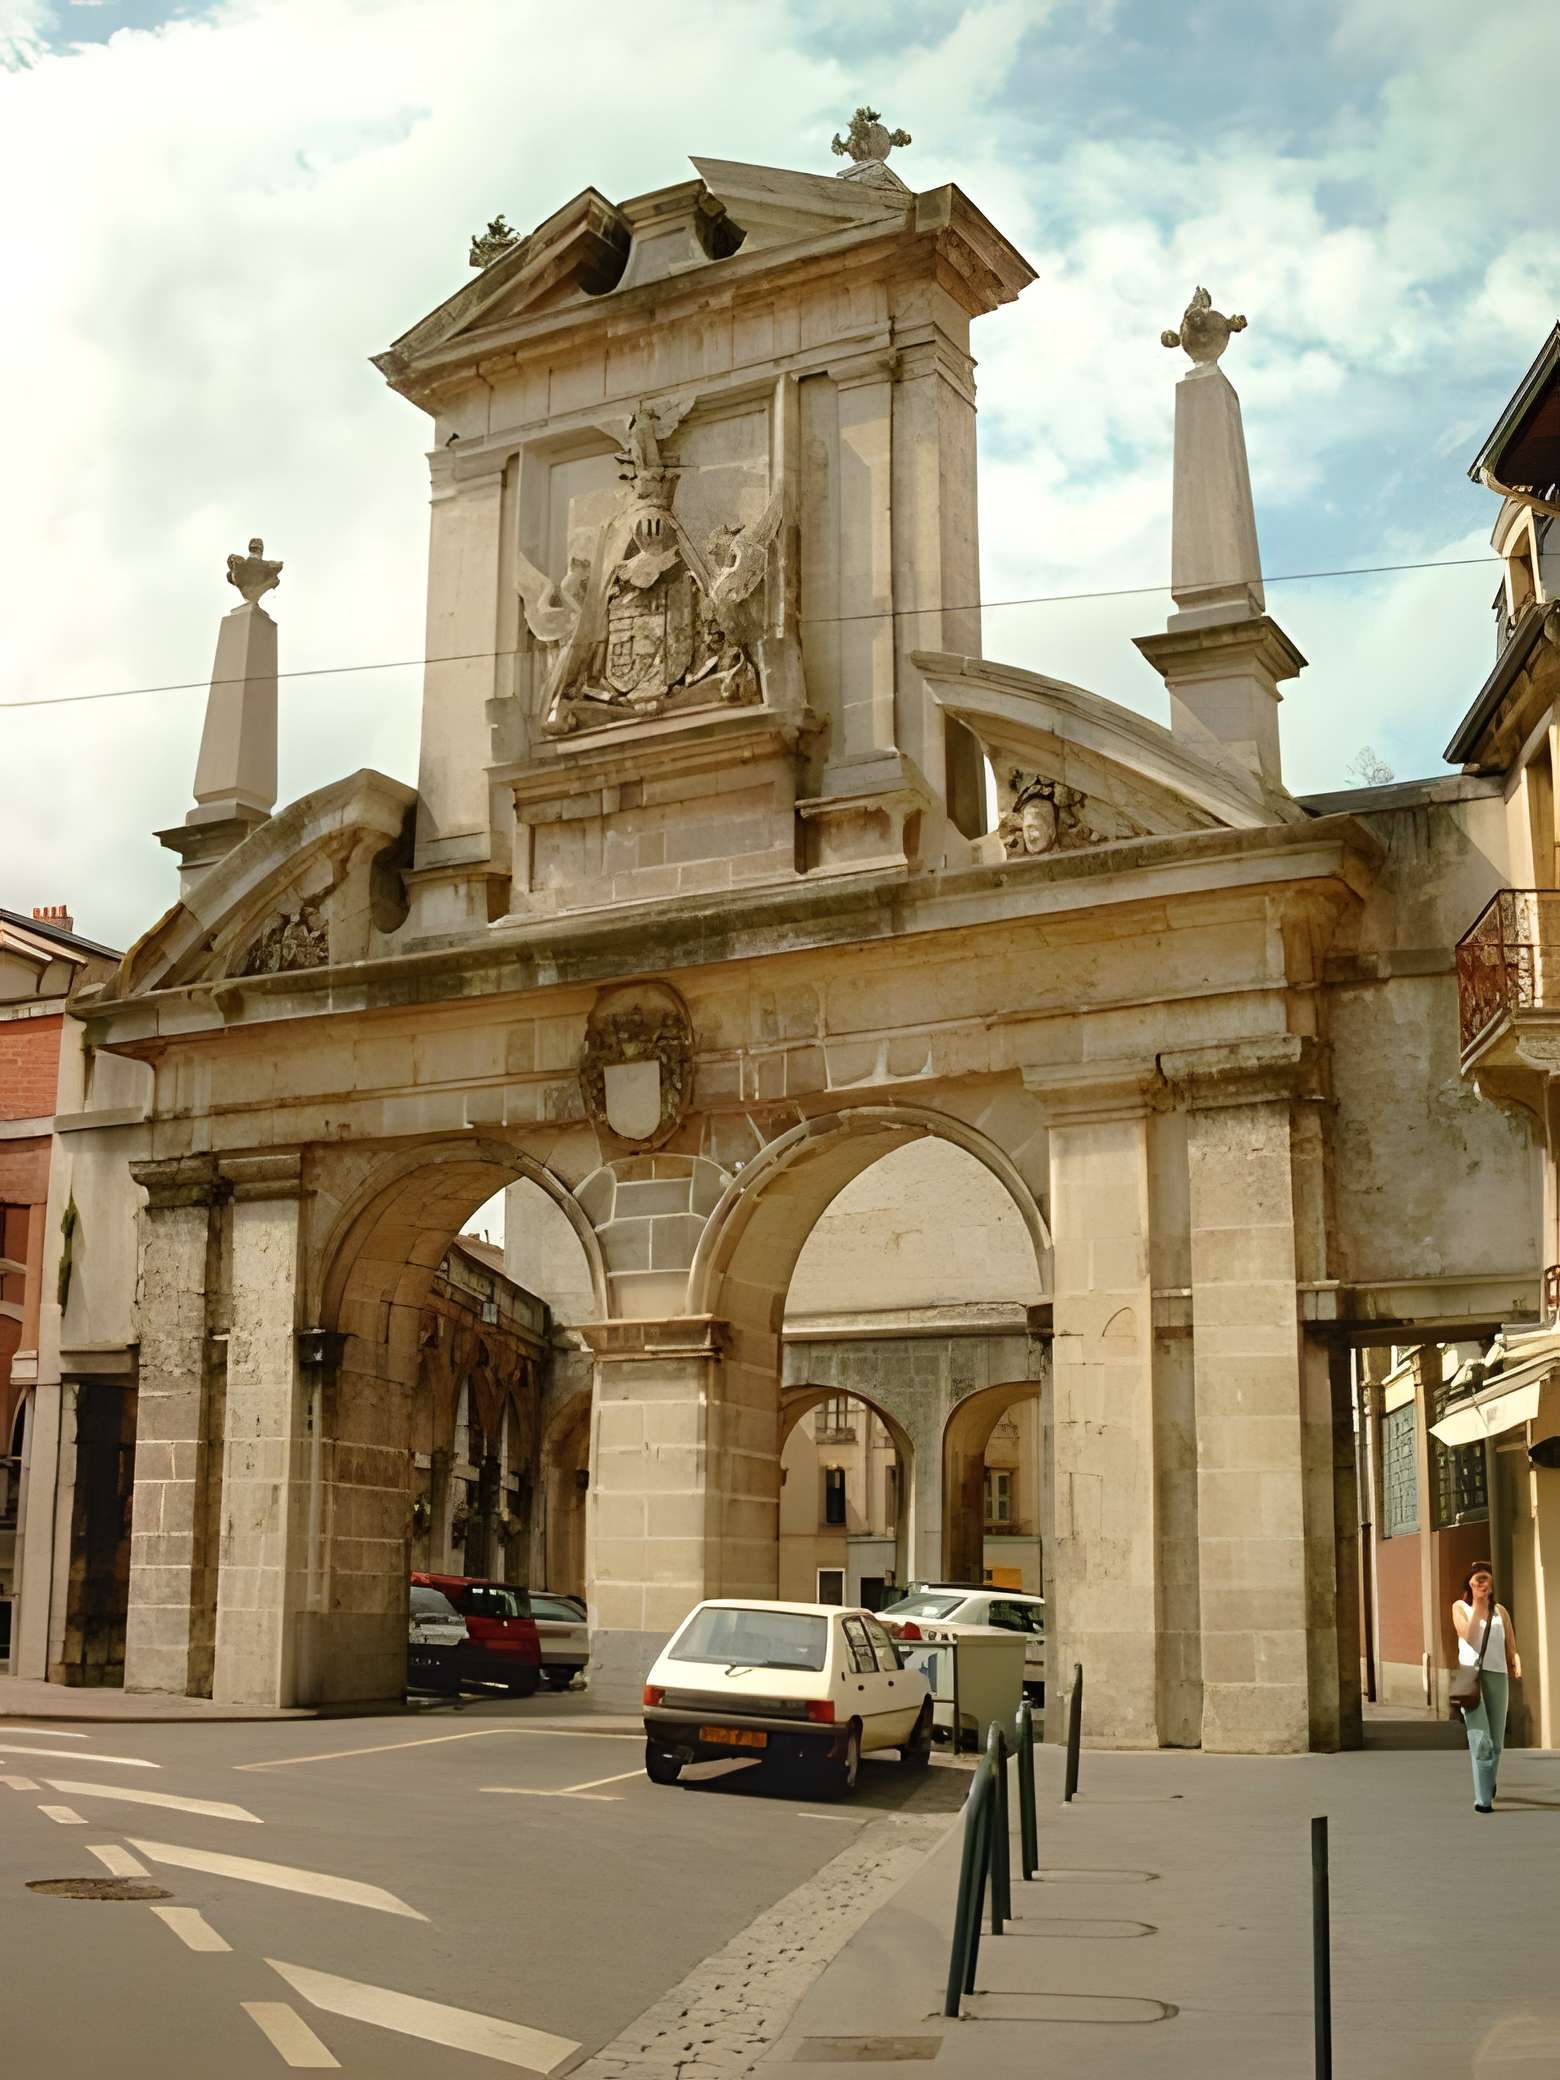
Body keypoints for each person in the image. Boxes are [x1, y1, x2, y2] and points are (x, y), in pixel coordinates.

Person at [1451, 1563, 1521, 1812]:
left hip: (1498, 1675)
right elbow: (1468, 1636)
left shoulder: (1500, 1611)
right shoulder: (1460, 1608)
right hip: (1472, 1678)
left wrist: (1515, 1659)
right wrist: (1479, 1605)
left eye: (1486, 1580)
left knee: (1497, 1742)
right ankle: (1483, 1800)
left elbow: (1510, 1642)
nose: (1482, 1584)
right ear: (1469, 1583)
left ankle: (1488, 1781)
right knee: (1481, 1740)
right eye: (1477, 1580)